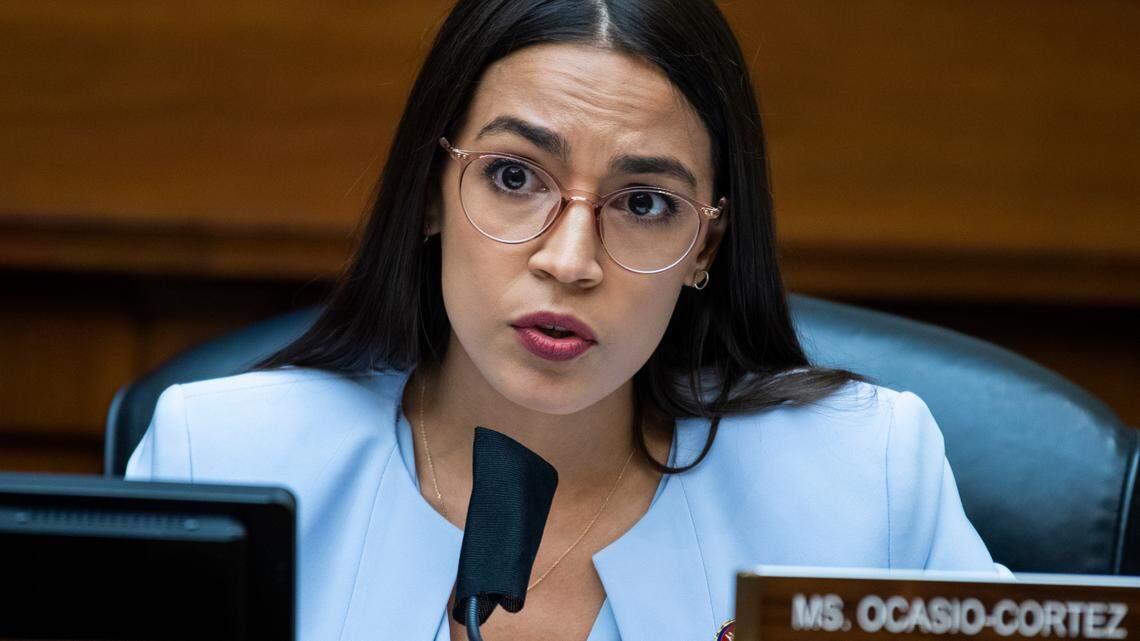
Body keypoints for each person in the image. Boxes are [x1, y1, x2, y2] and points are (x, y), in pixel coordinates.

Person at [125, 1, 1003, 639]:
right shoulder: (221, 461)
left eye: (646, 202)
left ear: (707, 246)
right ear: (433, 191)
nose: (570, 260)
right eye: (514, 177)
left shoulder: (867, 482)